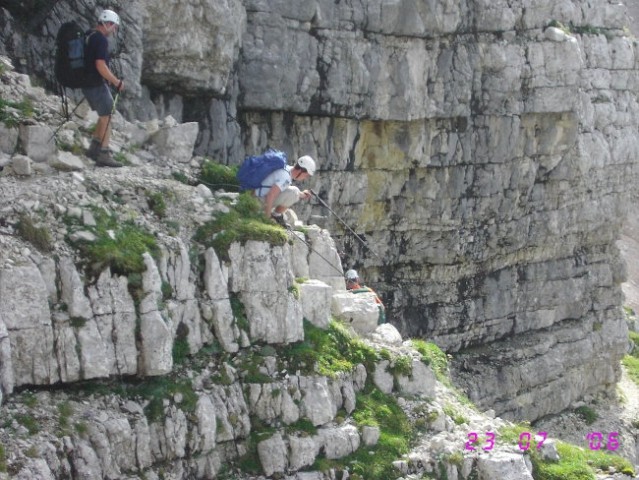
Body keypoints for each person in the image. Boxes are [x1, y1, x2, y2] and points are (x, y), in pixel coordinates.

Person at [82, 9, 125, 168]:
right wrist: (116, 82)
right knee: (107, 115)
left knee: (103, 114)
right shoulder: (100, 40)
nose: (114, 30)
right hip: (95, 83)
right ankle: (104, 153)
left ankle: (94, 148)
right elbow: (100, 65)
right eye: (113, 26)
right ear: (107, 24)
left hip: (86, 83)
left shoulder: (89, 34)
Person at [255, 155, 316, 226]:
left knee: (295, 192)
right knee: (294, 192)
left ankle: (275, 215)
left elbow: (282, 190)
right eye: (306, 175)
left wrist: (301, 194)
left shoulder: (286, 169)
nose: (305, 178)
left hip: (256, 196)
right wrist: (267, 219)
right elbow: (270, 195)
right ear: (301, 170)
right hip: (258, 202)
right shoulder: (285, 177)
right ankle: (275, 215)